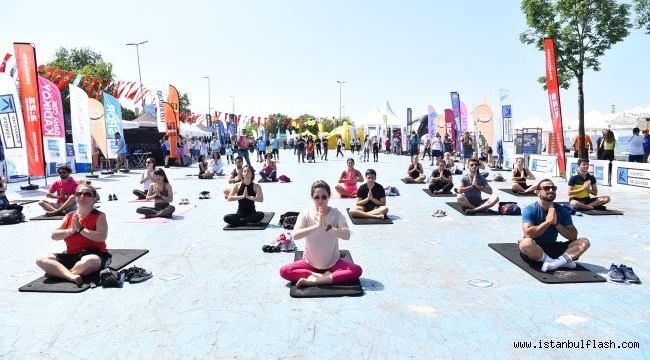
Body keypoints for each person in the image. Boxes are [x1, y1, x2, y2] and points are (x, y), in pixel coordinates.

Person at [279, 180, 362, 288]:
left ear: (329, 196)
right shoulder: (305, 213)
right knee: (284, 271)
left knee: (357, 270)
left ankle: (315, 281)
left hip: (333, 263)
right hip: (309, 264)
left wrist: (329, 228)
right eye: (316, 197)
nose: (320, 200)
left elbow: (346, 235)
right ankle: (321, 276)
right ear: (312, 197)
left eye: (324, 197)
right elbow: (295, 235)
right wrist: (317, 226)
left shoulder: (336, 214)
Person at [35, 183, 110, 285]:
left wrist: (81, 229)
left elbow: (101, 237)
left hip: (96, 254)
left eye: (87, 194)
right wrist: (71, 230)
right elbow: (54, 235)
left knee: (89, 261)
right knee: (41, 259)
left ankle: (59, 273)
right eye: (79, 194)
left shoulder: (99, 216)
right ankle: (70, 276)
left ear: (94, 199)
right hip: (72, 255)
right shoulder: (70, 216)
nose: (82, 196)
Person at [519, 179, 590, 272]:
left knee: (584, 242)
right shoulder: (530, 209)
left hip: (553, 246)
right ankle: (559, 262)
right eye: (546, 188)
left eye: (553, 188)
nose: (551, 190)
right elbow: (529, 234)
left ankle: (554, 264)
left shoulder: (562, 210)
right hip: (535, 249)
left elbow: (573, 236)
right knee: (526, 243)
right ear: (537, 192)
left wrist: (556, 223)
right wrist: (548, 222)